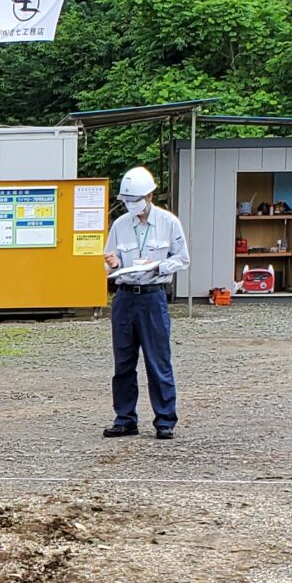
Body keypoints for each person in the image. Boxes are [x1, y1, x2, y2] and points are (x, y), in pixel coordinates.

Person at [103, 166, 187, 439]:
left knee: (157, 360)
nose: (131, 206)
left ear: (150, 195)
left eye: (136, 200)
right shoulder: (120, 224)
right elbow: (110, 259)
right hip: (125, 297)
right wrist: (113, 263)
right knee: (123, 361)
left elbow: (182, 259)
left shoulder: (168, 222)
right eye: (127, 201)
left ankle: (165, 420)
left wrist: (159, 266)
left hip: (153, 297)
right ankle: (125, 418)